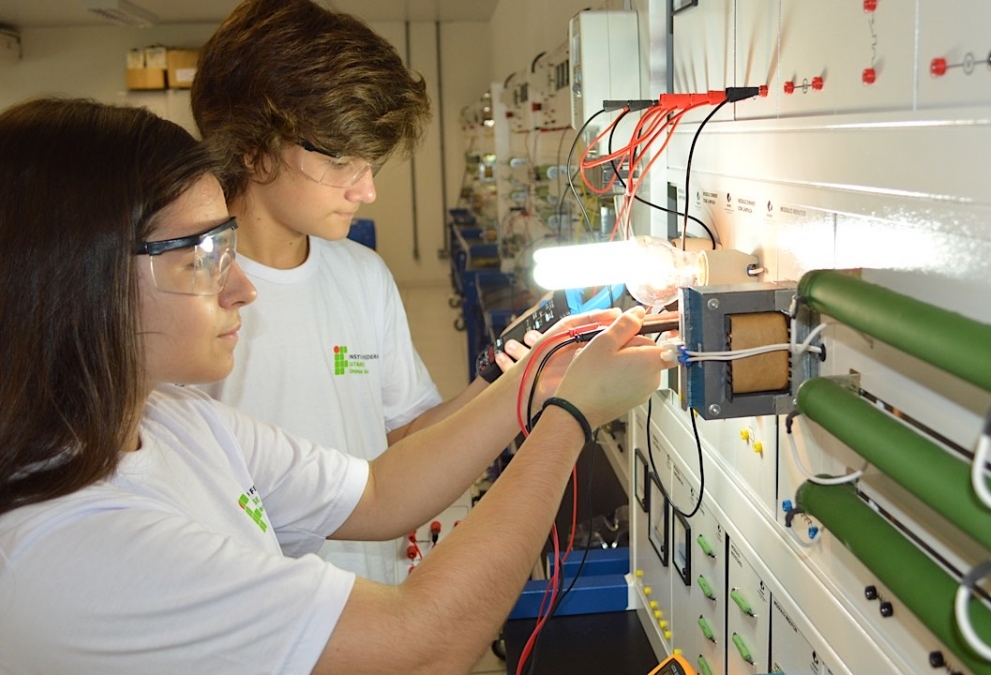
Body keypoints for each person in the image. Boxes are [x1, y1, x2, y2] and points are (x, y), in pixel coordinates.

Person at [0, 98, 666, 673]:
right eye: (202, 257)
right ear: (79, 279)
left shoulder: (168, 419)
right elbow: (423, 644)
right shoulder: (75, 547)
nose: (243, 287)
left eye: (227, 247)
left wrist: (536, 380)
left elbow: (377, 492)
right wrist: (569, 416)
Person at [190, 0, 526, 582]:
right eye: (342, 160)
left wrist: (512, 377)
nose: (367, 190)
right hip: (259, 609)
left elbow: (407, 436)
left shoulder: (363, 275)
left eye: (368, 161)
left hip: (377, 592)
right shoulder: (184, 298)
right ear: (252, 145)